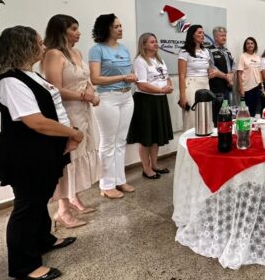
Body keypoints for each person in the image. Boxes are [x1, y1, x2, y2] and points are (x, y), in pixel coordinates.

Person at [0, 26, 83, 280]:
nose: (44, 48)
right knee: (27, 206)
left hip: (42, 150)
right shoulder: (10, 81)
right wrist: (72, 134)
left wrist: (67, 133)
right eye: (39, 44)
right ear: (23, 47)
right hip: (24, 154)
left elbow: (53, 108)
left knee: (40, 198)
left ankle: (43, 239)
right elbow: (35, 121)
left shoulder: (29, 75)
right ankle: (24, 265)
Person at [42, 15, 102, 230]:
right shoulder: (53, 54)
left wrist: (91, 92)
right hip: (67, 114)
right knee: (68, 160)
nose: (78, 33)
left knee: (81, 155)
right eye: (74, 29)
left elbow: (87, 80)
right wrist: (83, 97)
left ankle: (74, 198)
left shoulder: (76, 52)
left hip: (84, 112)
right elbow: (54, 89)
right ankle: (63, 210)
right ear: (61, 31)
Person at [89, 14, 137, 199]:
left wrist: (130, 77)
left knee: (121, 140)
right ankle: (107, 184)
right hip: (107, 98)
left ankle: (119, 180)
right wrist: (123, 77)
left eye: (121, 25)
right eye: (116, 26)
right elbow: (95, 78)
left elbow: (128, 72)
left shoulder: (124, 49)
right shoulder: (97, 50)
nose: (120, 29)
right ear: (106, 28)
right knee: (108, 142)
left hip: (126, 96)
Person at [127, 33, 174, 180]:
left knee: (156, 136)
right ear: (144, 44)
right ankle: (146, 168)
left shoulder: (159, 60)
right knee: (146, 137)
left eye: (156, 41)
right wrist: (161, 90)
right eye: (152, 42)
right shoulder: (140, 61)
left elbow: (167, 77)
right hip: (146, 101)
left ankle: (154, 164)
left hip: (160, 100)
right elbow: (141, 84)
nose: (156, 44)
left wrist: (169, 86)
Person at [178, 25, 214, 131]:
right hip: (191, 85)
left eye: (203, 33)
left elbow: (207, 69)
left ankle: (204, 144)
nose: (202, 35)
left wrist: (210, 72)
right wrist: (182, 96)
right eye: (199, 33)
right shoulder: (184, 52)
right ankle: (189, 144)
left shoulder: (206, 51)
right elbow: (181, 75)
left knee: (206, 117)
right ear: (192, 35)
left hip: (205, 85)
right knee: (191, 118)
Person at [209, 26, 236, 106]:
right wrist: (227, 77)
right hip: (217, 88)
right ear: (215, 37)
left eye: (225, 35)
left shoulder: (227, 50)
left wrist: (232, 75)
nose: (224, 38)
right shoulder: (209, 50)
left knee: (228, 112)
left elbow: (233, 65)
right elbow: (212, 68)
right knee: (219, 114)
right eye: (222, 36)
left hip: (228, 87)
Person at [237, 37, 263, 115]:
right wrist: (241, 88)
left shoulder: (258, 57)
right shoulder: (242, 56)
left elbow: (260, 72)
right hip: (247, 88)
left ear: (255, 45)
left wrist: (262, 86)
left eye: (252, 43)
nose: (250, 45)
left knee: (257, 111)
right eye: (248, 43)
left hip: (257, 87)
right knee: (248, 111)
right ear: (245, 46)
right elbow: (239, 73)